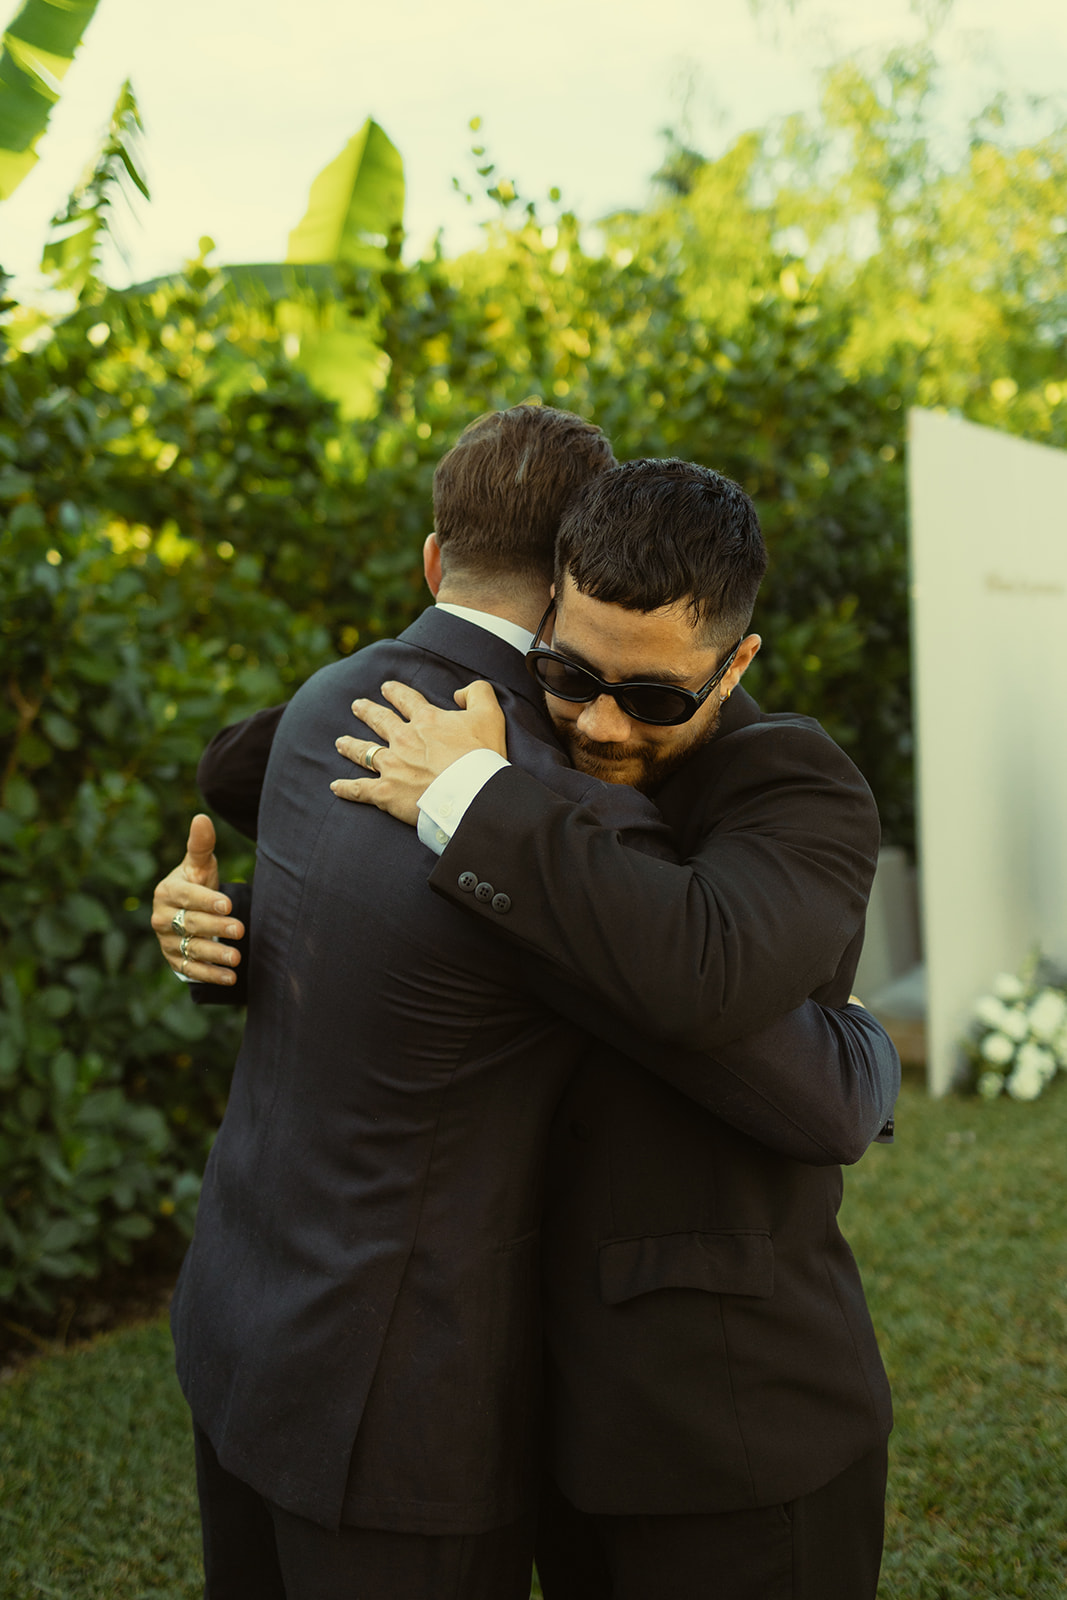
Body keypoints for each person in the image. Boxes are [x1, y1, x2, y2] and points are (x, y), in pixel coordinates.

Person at [155, 415, 897, 1600]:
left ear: (731, 661)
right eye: (569, 678)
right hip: (541, 1411)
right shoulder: (412, 732)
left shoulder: (720, 792)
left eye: (651, 699)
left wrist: (862, 1056)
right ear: (556, 599)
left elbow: (790, 1078)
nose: (599, 724)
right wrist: (239, 930)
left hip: (733, 1426)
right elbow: (262, 798)